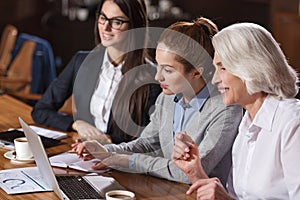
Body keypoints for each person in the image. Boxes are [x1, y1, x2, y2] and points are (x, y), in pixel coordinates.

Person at [72, 17, 243, 185]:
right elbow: (146, 143)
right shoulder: (166, 98)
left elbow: (188, 172)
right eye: (158, 65)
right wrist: (105, 151)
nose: (157, 76)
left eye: (167, 70)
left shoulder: (226, 110)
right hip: (166, 190)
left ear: (197, 72)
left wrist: (127, 161)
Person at [172, 22, 300, 199]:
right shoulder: (246, 123)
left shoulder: (293, 123)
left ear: (250, 67)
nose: (215, 79)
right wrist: (195, 172)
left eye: (223, 68)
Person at [31, 0, 161, 144]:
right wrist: (77, 124)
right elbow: (41, 110)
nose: (106, 27)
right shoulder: (81, 61)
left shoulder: (152, 76)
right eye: (103, 18)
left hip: (122, 161)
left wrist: (108, 141)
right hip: (81, 153)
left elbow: (151, 138)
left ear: (135, 26)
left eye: (117, 22)